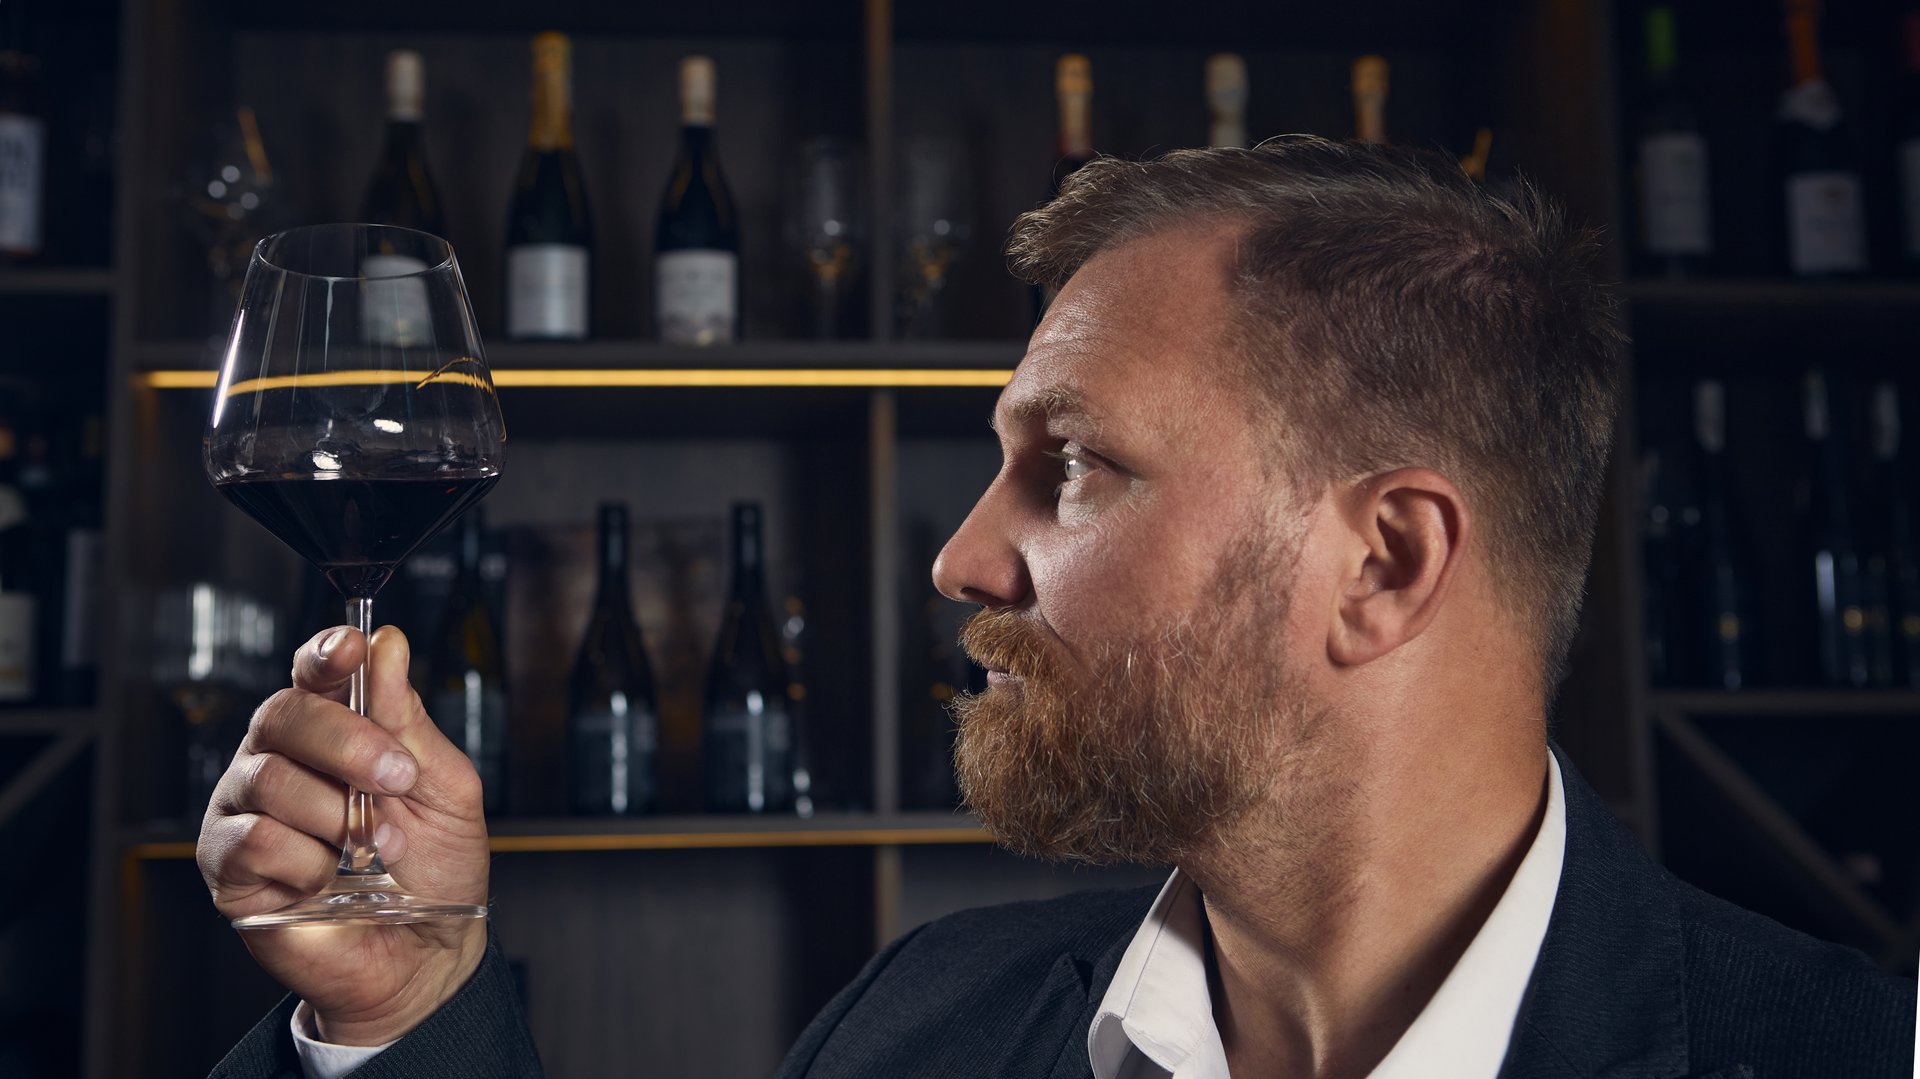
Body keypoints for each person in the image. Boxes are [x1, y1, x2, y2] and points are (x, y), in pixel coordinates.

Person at [203, 138, 1917, 1079]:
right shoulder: (917, 1030)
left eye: (1074, 466)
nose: (960, 558)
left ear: (1386, 562)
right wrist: (400, 1011)